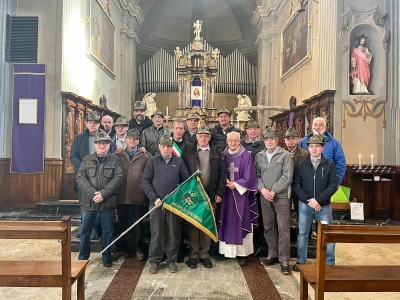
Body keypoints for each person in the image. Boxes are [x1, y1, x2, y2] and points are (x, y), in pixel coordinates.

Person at [142, 134, 190, 274]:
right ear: (159, 147)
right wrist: (154, 197)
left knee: (173, 233)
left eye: (169, 146)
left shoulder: (179, 162)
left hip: (173, 204)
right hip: (156, 203)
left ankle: (171, 261)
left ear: (172, 147)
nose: (166, 149)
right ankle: (155, 261)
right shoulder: (152, 161)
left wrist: (178, 198)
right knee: (156, 233)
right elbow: (145, 181)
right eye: (163, 146)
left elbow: (186, 181)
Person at [182, 125, 226, 269]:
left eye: (206, 136)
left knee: (207, 223)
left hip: (210, 194)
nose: (203, 138)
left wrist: (219, 193)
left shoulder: (216, 151)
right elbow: (183, 172)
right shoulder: (188, 150)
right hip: (193, 195)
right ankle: (193, 254)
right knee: (194, 224)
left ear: (209, 137)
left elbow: (222, 173)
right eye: (201, 136)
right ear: (196, 137)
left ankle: (204, 254)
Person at [77, 130, 123, 268]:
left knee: (108, 231)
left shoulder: (115, 160)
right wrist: (93, 194)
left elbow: (118, 178)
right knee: (85, 231)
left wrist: (103, 194)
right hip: (89, 202)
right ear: (95, 145)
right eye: (99, 144)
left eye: (105, 144)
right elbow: (81, 177)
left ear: (109, 145)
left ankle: (106, 256)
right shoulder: (86, 159)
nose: (102, 146)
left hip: (107, 202)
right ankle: (83, 256)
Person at [292, 135, 338, 271]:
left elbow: (332, 185)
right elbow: (297, 184)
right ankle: (301, 261)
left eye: (317, 146)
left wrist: (318, 200)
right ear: (308, 147)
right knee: (302, 234)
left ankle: (329, 263)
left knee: (327, 233)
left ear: (322, 148)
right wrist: (309, 200)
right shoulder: (302, 164)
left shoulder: (329, 165)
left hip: (323, 206)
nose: (314, 148)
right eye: (311, 146)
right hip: (305, 205)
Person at [255, 126, 294, 275]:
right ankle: (272, 253)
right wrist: (263, 190)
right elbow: (256, 175)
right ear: (263, 141)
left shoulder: (285, 155)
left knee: (283, 228)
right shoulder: (259, 156)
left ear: (277, 140)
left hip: (282, 196)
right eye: (267, 139)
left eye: (272, 139)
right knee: (268, 226)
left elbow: (287, 177)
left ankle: (284, 259)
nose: (269, 141)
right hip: (264, 196)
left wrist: (274, 190)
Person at [217, 131, 258, 266]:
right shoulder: (223, 155)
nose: (233, 143)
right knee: (226, 220)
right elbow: (218, 172)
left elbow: (250, 175)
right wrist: (224, 182)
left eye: (235, 140)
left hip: (241, 194)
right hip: (226, 194)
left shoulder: (246, 155)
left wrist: (236, 184)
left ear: (240, 141)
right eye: (230, 141)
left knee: (241, 220)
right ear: (227, 141)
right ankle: (226, 251)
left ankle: (242, 254)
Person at [114, 128, 150, 261]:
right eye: (130, 138)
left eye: (135, 139)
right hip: (122, 195)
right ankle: (120, 248)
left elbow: (148, 175)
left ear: (138, 140)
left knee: (138, 224)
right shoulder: (119, 155)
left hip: (138, 195)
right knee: (121, 222)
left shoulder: (144, 156)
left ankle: (139, 248)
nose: (132, 141)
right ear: (126, 140)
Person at [70, 111, 102, 239]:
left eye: (95, 123)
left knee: (97, 201)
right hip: (83, 176)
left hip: (100, 175)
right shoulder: (79, 138)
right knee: (84, 202)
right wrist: (84, 168)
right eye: (90, 122)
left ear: (99, 124)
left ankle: (95, 228)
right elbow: (73, 156)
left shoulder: (104, 137)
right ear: (86, 123)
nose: (93, 125)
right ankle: (85, 227)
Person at [298, 117, 346, 186]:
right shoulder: (303, 142)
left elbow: (341, 164)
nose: (318, 127)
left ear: (325, 127)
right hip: (306, 182)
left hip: (327, 182)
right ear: (312, 127)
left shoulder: (334, 143)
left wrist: (336, 182)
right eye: (315, 125)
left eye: (320, 125)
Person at [284, 127, 308, 221]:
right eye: (288, 139)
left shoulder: (305, 154)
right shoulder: (280, 153)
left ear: (298, 139)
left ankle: (303, 235)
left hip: (300, 189)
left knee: (302, 215)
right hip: (285, 188)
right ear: (284, 140)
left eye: (293, 138)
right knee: (284, 216)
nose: (291, 141)